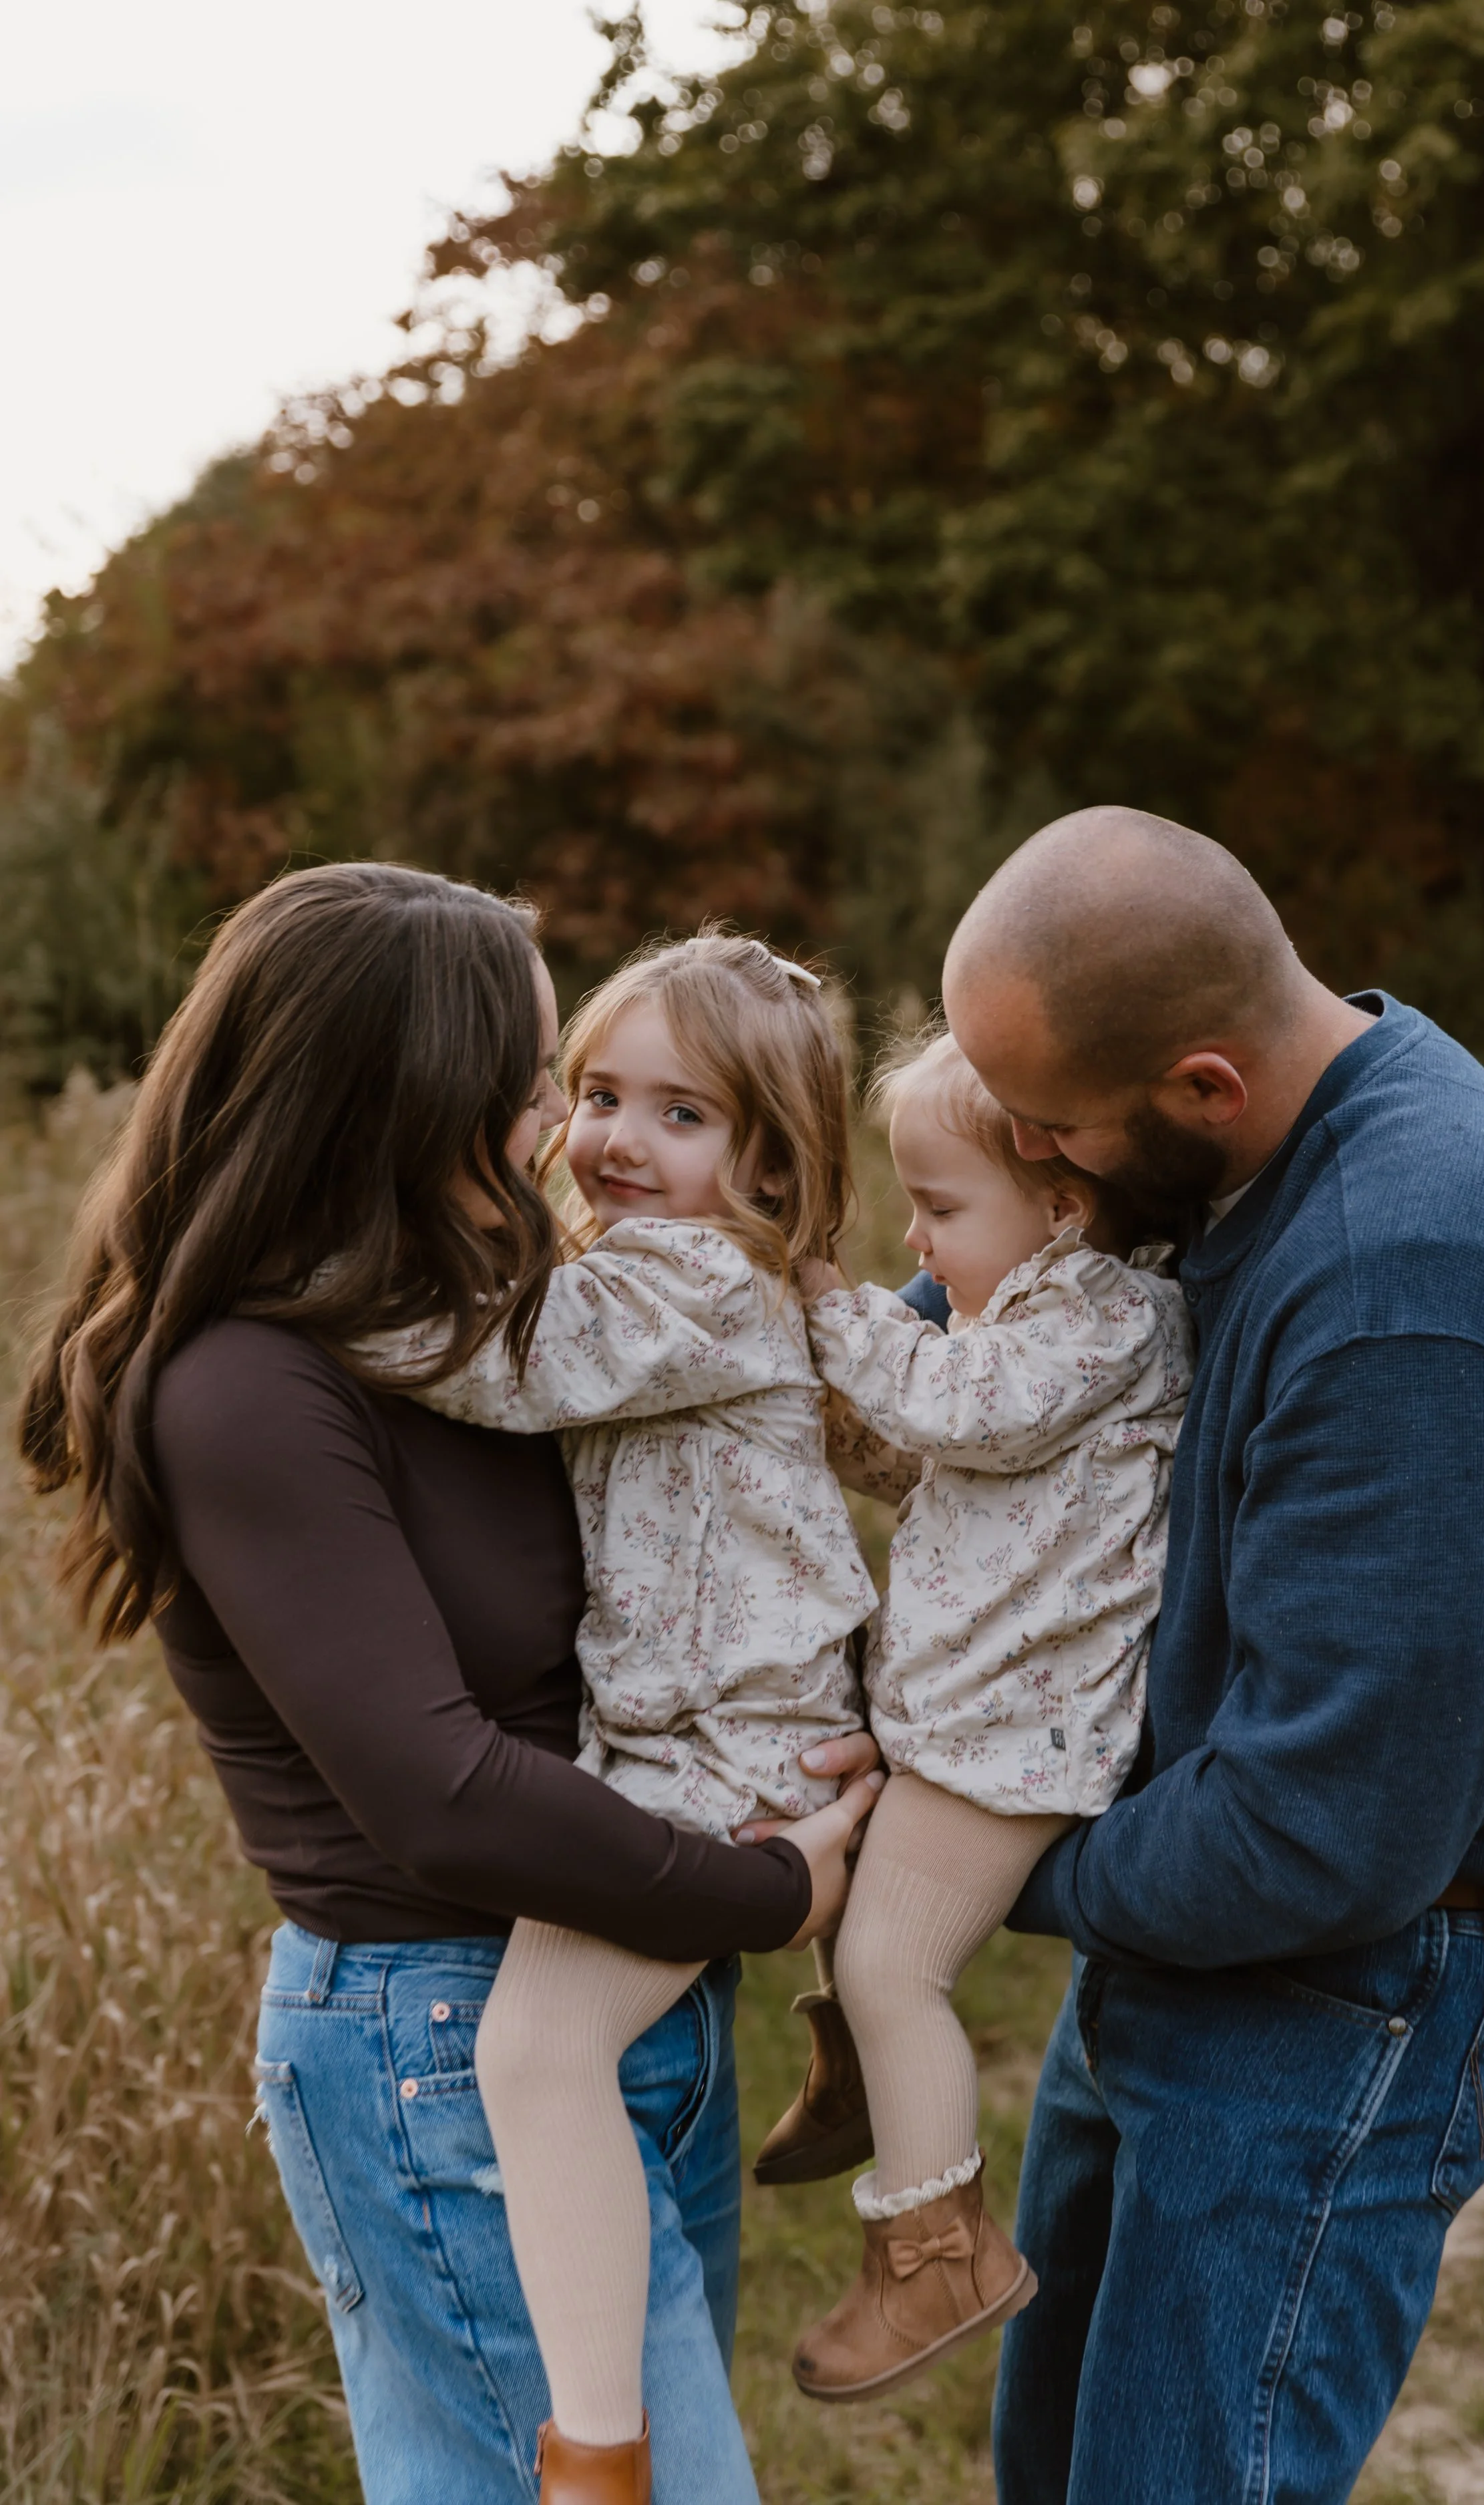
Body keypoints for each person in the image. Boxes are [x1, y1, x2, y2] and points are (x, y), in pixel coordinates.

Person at [20, 865, 879, 2505]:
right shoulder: (251, 1385)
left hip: (629, 1988)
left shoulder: (501, 1315)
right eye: (537, 1078)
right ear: (412, 1095)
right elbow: (437, 1792)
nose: (558, 1120)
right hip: (447, 2039)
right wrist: (760, 1890)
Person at [935, 806, 1484, 2504]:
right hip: (1213, 1931)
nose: (1041, 1169)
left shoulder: (1413, 1288)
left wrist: (957, 1873)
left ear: (1200, 1087)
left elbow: (1319, 1834)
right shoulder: (1283, 1139)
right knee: (1061, 2466)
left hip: (1352, 1983)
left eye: (1055, 1132)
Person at [365, 931, 886, 2498]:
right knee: (562, 2053)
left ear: (769, 1162)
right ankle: (864, 2021)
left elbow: (502, 1364)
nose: (614, 1139)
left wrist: (288, 1294)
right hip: (694, 1727)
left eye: (683, 1115)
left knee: (532, 2055)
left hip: (720, 1746)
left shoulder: (694, 1281)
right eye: (596, 1094)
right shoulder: (674, 1269)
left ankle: (594, 2452)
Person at [765, 1027, 1192, 2402]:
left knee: (901, 1970)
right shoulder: (1023, 1320)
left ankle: (935, 2252)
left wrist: (832, 1303)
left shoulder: (1108, 1318)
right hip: (967, 1711)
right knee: (834, 1882)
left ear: (1060, 1207)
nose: (912, 1237)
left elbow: (963, 1410)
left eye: (939, 1209)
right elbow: (927, 1456)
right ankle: (869, 2090)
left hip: (1019, 1737)